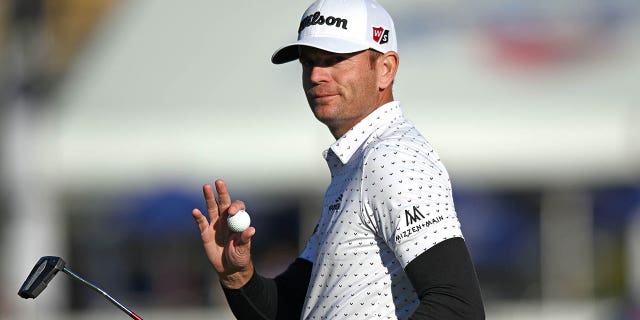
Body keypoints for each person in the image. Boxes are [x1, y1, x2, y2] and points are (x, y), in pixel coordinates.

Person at [191, 0, 485, 318]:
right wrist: (237, 276)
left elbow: (458, 308)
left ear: (385, 68)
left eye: (334, 60)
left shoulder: (391, 158)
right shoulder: (355, 165)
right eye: (309, 62)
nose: (316, 75)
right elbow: (287, 308)